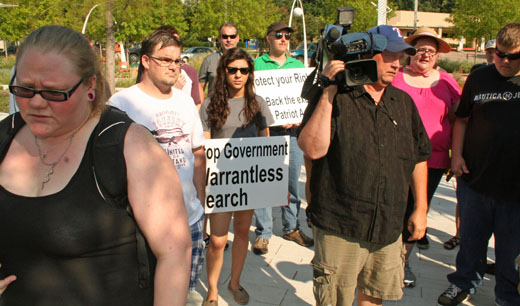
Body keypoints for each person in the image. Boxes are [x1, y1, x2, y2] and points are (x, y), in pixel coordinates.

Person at [0, 25, 191, 305]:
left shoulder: (128, 146)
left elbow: (175, 252)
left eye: (54, 92)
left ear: (90, 85)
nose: (36, 103)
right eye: (25, 89)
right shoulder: (6, 136)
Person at [298, 25, 431, 306]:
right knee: (335, 300)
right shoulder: (336, 96)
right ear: (368, 55)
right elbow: (312, 148)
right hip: (340, 225)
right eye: (390, 55)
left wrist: (420, 208)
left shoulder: (403, 103)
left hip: (388, 226)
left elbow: (419, 156)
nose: (398, 63)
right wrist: (328, 92)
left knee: (374, 298)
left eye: (402, 56)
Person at [108, 28, 206, 294]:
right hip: (140, 227)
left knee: (182, 294)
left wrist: (200, 203)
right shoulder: (121, 103)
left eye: (178, 61)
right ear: (146, 61)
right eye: (165, 60)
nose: (174, 67)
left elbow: (197, 152)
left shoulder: (186, 102)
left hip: (189, 221)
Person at [437, 22, 520, 306]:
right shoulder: (479, 77)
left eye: (513, 56)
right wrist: (456, 156)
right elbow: (462, 119)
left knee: (510, 252)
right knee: (471, 241)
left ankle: (507, 296)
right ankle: (463, 283)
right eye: (500, 54)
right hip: (475, 178)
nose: (505, 61)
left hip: (514, 190)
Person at [199, 48, 274, 306]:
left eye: (244, 70)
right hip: (221, 180)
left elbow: (266, 141)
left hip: (249, 179)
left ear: (250, 73)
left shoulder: (258, 103)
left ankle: (234, 282)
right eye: (233, 70)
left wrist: (271, 182)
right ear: (223, 72)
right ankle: (211, 291)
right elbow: (206, 144)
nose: (238, 75)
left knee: (242, 232)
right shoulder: (210, 104)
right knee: (218, 240)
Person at [391, 27, 461, 287]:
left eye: (431, 51)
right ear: (411, 52)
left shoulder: (447, 82)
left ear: (437, 56)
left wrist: (458, 155)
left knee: (416, 209)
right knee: (393, 207)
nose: (426, 55)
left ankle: (402, 262)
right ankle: (384, 258)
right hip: (394, 157)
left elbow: (459, 118)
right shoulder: (396, 76)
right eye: (420, 49)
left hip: (433, 160)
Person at [252, 21, 312, 255]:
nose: (284, 39)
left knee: (291, 185)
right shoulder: (256, 65)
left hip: (292, 133)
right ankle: (263, 232)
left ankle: (291, 227)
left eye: (287, 35)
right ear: (268, 38)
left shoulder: (297, 66)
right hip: (266, 133)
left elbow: (305, 101)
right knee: (265, 183)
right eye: (279, 35)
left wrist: (298, 117)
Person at [199, 23, 240, 100]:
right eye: (225, 37)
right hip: (214, 108)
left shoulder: (247, 59)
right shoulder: (209, 60)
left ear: (237, 38)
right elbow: (200, 87)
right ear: (219, 38)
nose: (229, 40)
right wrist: (201, 107)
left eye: (232, 36)